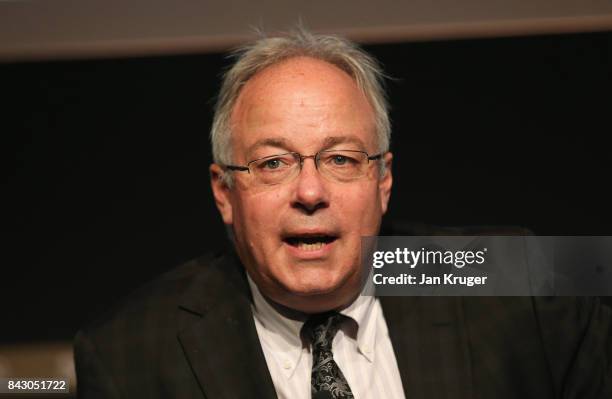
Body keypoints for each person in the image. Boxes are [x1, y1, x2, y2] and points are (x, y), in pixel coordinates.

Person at [74, 28, 612, 399]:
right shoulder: (130, 354)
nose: (310, 191)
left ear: (382, 180)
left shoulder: (520, 278)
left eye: (340, 159)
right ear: (224, 191)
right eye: (274, 162)